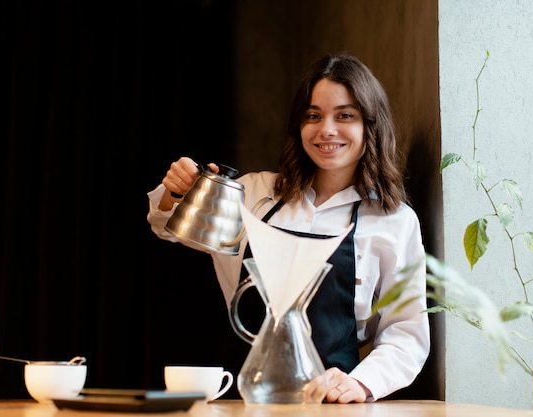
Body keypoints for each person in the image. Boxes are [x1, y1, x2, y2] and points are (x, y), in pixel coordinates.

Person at [147, 53, 430, 403]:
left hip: (330, 406)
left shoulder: (394, 221)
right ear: (299, 125)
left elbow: (406, 333)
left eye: (345, 115)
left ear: (370, 125)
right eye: (313, 116)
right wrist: (177, 189)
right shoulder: (254, 194)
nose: (326, 129)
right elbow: (167, 227)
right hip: (240, 398)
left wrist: (360, 383)